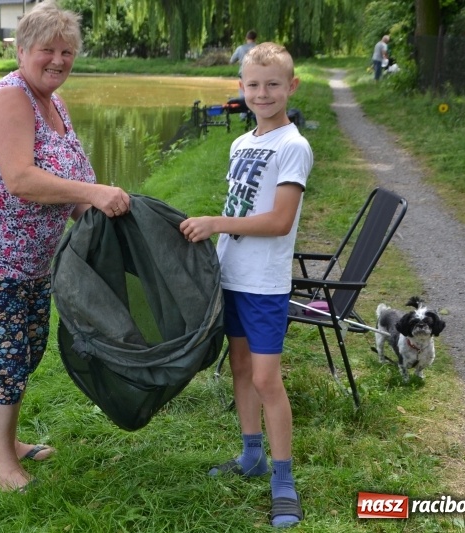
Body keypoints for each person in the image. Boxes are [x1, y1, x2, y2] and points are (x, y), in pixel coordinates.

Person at [0, 0, 130, 493]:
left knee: (26, 350)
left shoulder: (53, 102)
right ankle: (4, 465)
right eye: (48, 50)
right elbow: (21, 179)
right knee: (2, 358)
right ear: (23, 49)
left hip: (33, 259)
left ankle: (13, 442)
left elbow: (73, 177)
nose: (59, 60)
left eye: (68, 51)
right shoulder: (8, 98)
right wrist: (92, 195)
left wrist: (113, 219)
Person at [180, 42, 312, 528]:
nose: (262, 92)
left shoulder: (293, 146)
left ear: (291, 87)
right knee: (238, 369)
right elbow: (240, 206)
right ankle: (251, 454)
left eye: (273, 84)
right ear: (241, 88)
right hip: (231, 277)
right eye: (253, 84)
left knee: (265, 379)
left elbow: (279, 221)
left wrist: (215, 222)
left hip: (264, 285)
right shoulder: (241, 143)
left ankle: (283, 479)